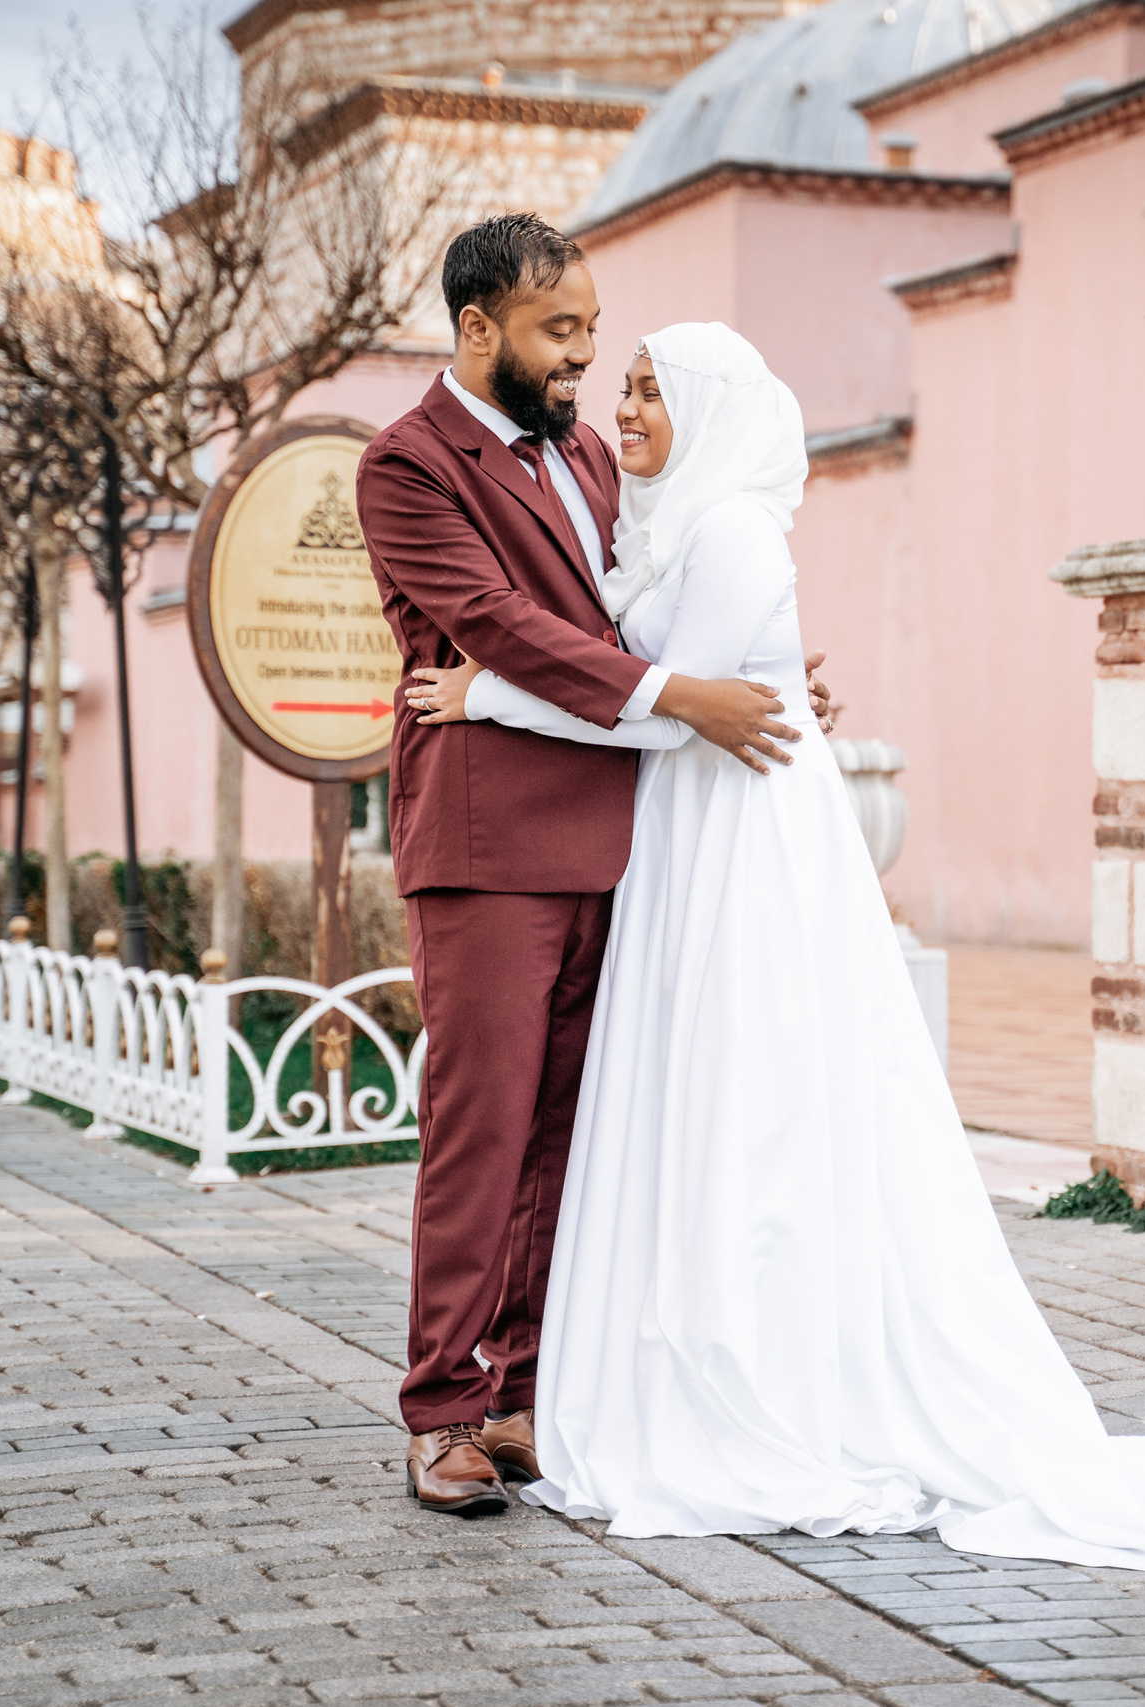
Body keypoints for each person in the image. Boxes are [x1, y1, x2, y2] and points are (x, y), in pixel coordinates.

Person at [399, 320, 1145, 1573]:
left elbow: (669, 710)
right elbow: (683, 683)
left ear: (710, 408)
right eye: (614, 378)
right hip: (689, 840)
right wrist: (755, 680)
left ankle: (734, 1373)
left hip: (736, 847)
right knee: (687, 1098)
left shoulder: (734, 529)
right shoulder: (673, 522)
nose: (617, 405)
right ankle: (619, 1371)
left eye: (645, 385)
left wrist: (488, 696)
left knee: (749, 1098)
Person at [355, 216, 832, 1515]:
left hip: (626, 829)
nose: (583, 359)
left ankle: (523, 1391)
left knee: (572, 1126)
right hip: (490, 842)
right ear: (476, 327)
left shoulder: (585, 454)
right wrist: (691, 691)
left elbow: (662, 588)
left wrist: (767, 677)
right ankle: (443, 1407)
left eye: (590, 330)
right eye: (559, 332)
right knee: (483, 1123)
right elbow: (500, 628)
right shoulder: (406, 466)